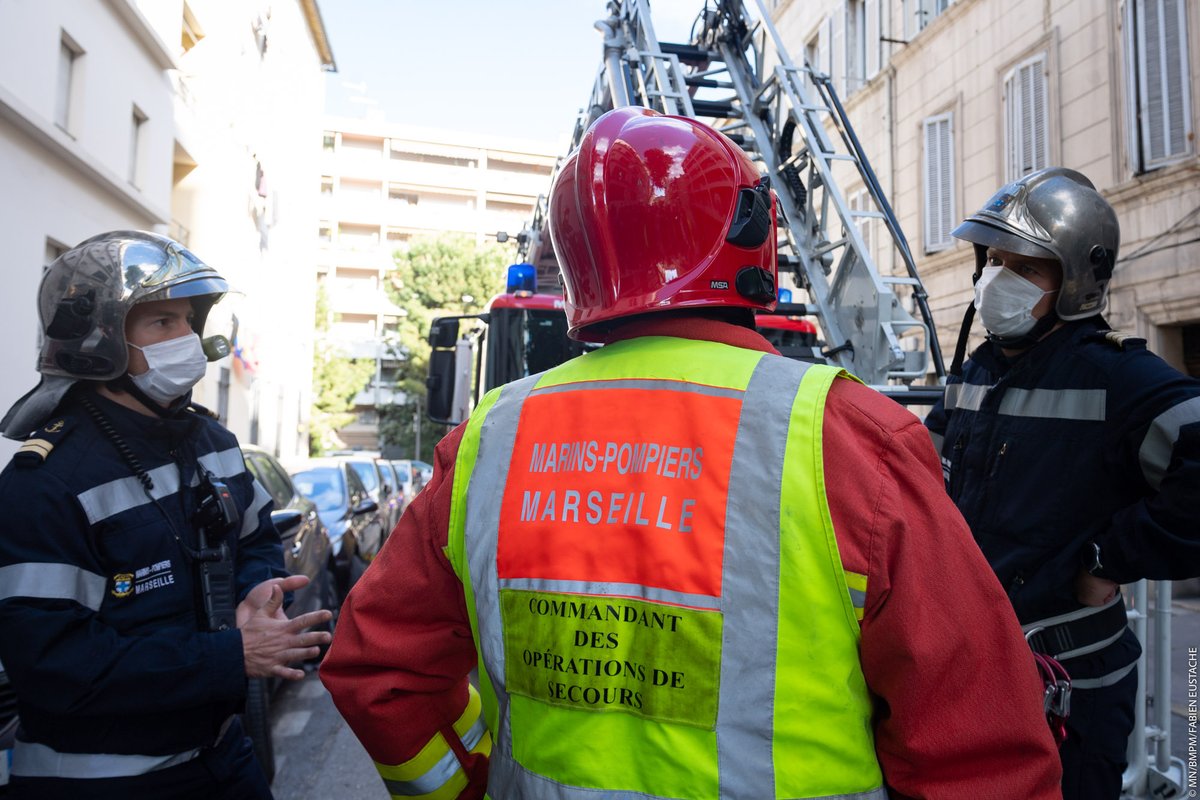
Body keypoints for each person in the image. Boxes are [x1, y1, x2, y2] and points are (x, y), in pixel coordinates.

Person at [320, 107, 1062, 799]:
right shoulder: (848, 436)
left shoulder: (489, 439)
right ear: (747, 233)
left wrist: (474, 784)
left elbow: (378, 674)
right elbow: (980, 747)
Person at [0, 231, 332, 800]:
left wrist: (255, 594)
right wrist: (231, 655)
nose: (188, 339)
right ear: (98, 339)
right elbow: (56, 663)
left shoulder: (213, 441)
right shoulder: (46, 482)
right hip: (99, 782)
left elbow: (254, 541)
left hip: (221, 757)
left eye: (188, 320)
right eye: (161, 323)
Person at [925, 167, 1200, 800]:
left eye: (1023, 267)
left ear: (1076, 279)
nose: (996, 280)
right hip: (974, 670)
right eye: (991, 261)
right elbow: (924, 480)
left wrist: (1110, 558)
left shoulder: (1115, 378)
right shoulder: (978, 371)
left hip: (1071, 688)